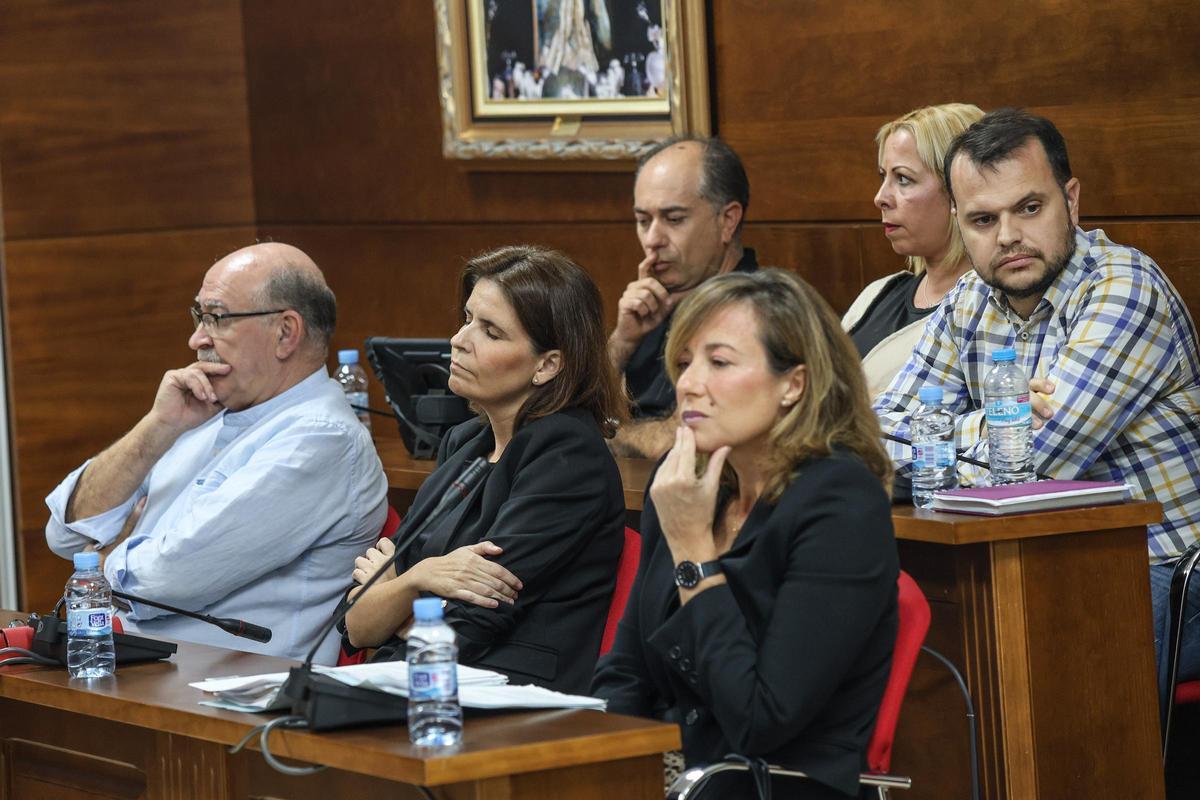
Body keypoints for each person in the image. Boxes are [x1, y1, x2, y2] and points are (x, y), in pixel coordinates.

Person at [873, 108, 1200, 709]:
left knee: (1028, 664)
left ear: (1070, 201)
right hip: (1032, 559)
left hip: (1168, 568)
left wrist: (944, 437)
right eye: (982, 219)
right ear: (959, 224)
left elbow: (1043, 459)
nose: (1007, 237)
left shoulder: (1124, 286)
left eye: (1029, 208)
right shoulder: (971, 298)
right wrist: (998, 420)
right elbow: (873, 435)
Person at [594, 269, 899, 799]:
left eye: (719, 362)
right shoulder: (691, 482)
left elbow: (762, 720)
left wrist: (693, 553)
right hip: (676, 777)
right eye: (684, 362)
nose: (688, 383)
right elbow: (626, 671)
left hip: (771, 786)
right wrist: (601, 774)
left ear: (793, 385)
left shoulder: (840, 503)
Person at [45, 243, 388, 664]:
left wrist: (101, 557)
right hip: (142, 673)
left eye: (217, 318)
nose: (196, 339)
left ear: (285, 333)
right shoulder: (201, 413)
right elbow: (66, 533)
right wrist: (159, 426)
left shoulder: (322, 439)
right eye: (198, 316)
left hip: (232, 704)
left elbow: (161, 579)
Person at [345, 246, 627, 695]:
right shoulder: (465, 445)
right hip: (420, 685)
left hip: (508, 702)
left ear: (547, 365)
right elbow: (357, 626)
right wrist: (422, 577)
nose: (460, 339)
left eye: (491, 332)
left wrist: (397, 593)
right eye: (468, 318)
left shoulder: (568, 456)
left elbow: (463, 629)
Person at [608, 136, 758, 459]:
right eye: (643, 221)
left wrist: (606, 434)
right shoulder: (654, 301)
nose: (652, 240)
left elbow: (684, 436)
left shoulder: (755, 309)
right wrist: (623, 340)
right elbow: (570, 404)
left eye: (674, 219)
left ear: (727, 221)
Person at [842, 103, 984, 398]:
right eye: (883, 176)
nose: (880, 198)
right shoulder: (878, 292)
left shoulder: (990, 315)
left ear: (960, 189)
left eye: (903, 179)